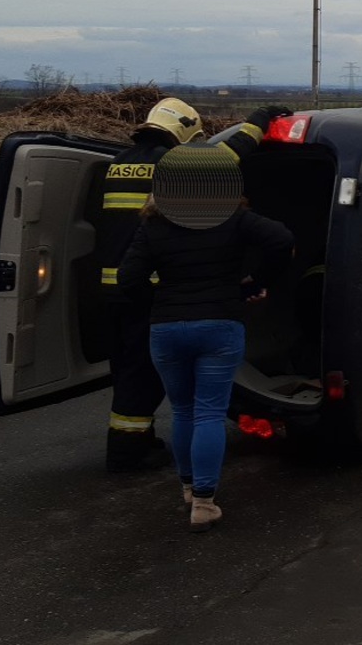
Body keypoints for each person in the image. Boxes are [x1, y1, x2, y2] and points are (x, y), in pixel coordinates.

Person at [97, 97, 290, 472]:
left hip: (115, 286)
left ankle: (136, 439)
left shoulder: (119, 163)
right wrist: (261, 118)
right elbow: (231, 153)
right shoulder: (172, 166)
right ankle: (125, 454)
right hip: (150, 287)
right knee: (144, 375)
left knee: (126, 367)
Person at [117, 142, 293, 532]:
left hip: (166, 329)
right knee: (210, 411)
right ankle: (204, 502)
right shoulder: (233, 218)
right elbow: (281, 239)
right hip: (219, 325)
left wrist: (160, 302)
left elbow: (128, 279)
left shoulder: (153, 225)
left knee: (181, 410)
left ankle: (186, 489)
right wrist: (254, 284)